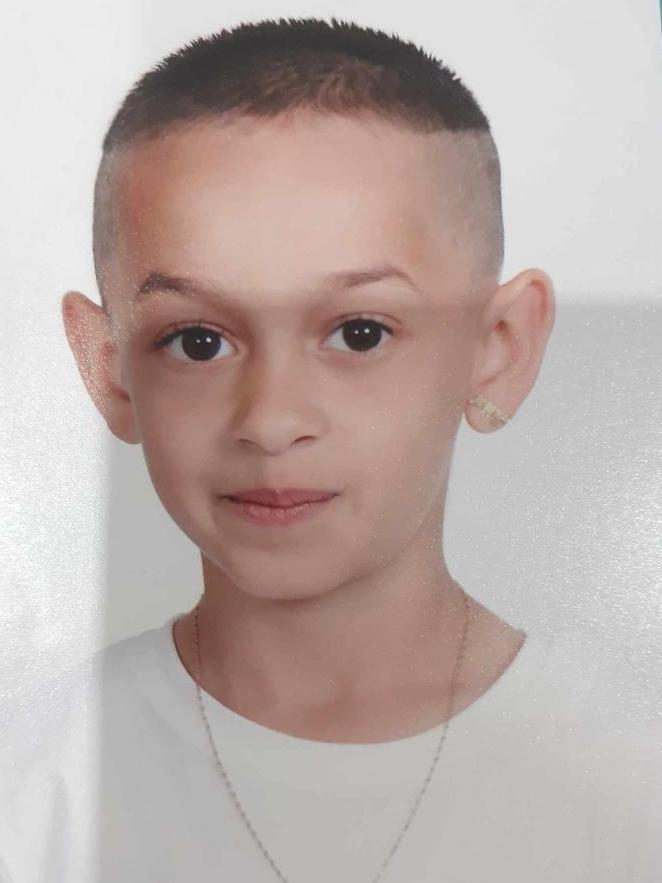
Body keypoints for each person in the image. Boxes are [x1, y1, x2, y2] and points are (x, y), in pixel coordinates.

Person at [1, 16, 659, 883]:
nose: (272, 420)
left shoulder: (633, 785)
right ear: (110, 367)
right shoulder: (30, 791)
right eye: (198, 341)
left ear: (498, 348)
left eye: (359, 332)